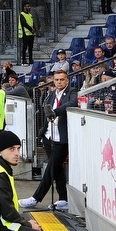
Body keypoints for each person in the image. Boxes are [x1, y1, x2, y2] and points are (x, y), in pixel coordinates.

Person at [19, 69, 76, 211]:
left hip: (62, 138)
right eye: (56, 79)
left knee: (51, 168)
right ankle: (63, 199)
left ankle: (36, 198)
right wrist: (43, 131)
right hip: (50, 136)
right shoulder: (51, 94)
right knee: (57, 170)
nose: (59, 82)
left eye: (62, 79)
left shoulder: (72, 92)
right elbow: (46, 111)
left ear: (67, 80)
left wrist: (55, 112)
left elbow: (71, 104)